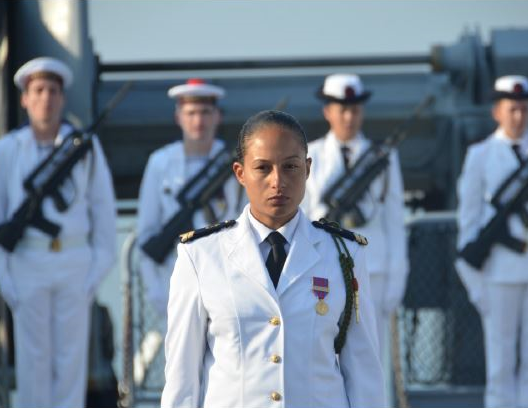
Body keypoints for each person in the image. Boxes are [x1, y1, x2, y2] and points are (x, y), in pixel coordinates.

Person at [161, 110, 385, 408]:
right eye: (263, 168)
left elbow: (364, 371)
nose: (277, 181)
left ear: (307, 169)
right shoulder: (201, 256)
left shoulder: (344, 254)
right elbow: (182, 378)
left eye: (290, 167)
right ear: (240, 173)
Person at [0, 57, 116, 408]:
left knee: (70, 361)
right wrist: (5, 278)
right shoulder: (7, 150)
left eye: (53, 91)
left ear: (63, 98)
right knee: (33, 361)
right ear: (25, 98)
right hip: (28, 260)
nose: (46, 98)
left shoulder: (83, 148)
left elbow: (104, 214)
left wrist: (95, 272)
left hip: (73, 260)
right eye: (38, 90)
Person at [456, 75, 528, 408]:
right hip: (499, 269)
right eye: (512, 109)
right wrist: (474, 281)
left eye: (524, 109)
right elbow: (468, 222)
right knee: (500, 364)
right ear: (497, 111)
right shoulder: (480, 155)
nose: (519, 117)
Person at [301, 73, 409, 360]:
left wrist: (397, 276)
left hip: (374, 268)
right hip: (325, 266)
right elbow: (304, 216)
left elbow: (394, 220)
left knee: (371, 356)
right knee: (326, 354)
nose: (349, 117)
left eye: (354, 110)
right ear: (328, 112)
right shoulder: (310, 154)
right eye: (342, 109)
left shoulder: (382, 156)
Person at [136, 78, 241, 316]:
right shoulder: (160, 162)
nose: (198, 121)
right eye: (191, 113)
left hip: (222, 276)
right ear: (178, 118)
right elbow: (147, 232)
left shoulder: (231, 163)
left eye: (205, 112)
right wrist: (155, 290)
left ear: (218, 116)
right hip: (174, 278)